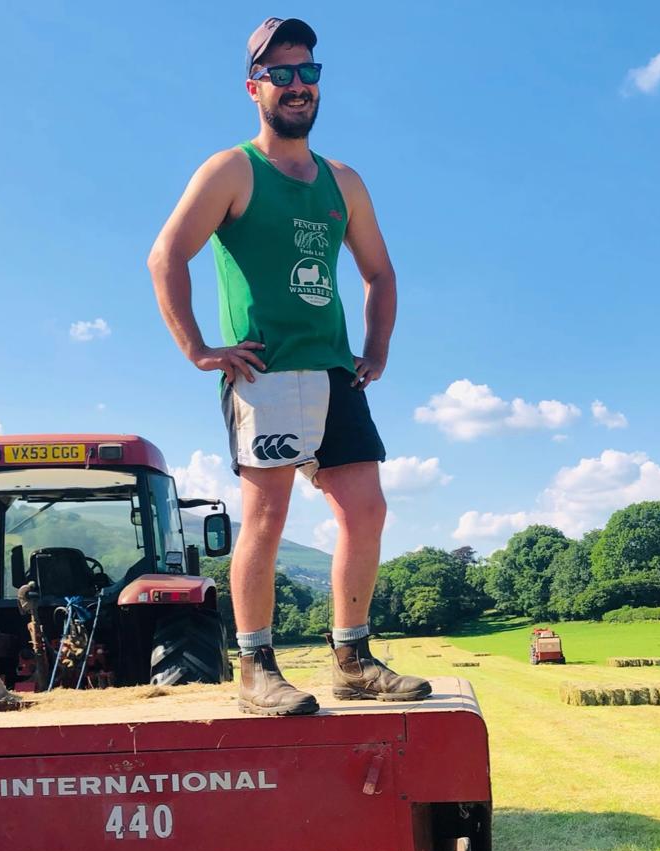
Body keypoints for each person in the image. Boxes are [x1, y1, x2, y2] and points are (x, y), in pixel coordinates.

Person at [148, 16, 430, 716]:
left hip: (334, 373)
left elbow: (381, 274)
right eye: (281, 74)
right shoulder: (233, 169)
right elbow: (166, 256)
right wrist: (198, 348)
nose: (298, 84)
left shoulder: (344, 182)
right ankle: (255, 668)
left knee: (366, 511)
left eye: (309, 72)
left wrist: (377, 351)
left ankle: (352, 658)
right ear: (255, 87)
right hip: (263, 373)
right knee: (266, 518)